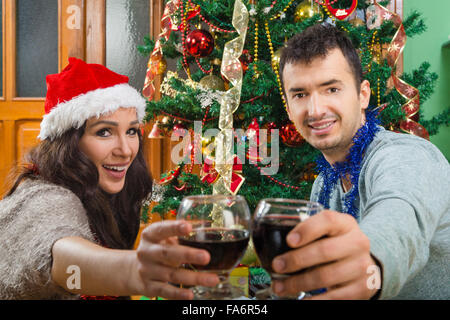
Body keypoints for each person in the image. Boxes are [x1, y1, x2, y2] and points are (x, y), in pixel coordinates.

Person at [0, 58, 219, 299]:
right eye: (104, 132)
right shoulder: (43, 197)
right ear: (68, 143)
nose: (125, 150)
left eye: (132, 131)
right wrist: (131, 270)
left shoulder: (104, 190)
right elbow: (62, 256)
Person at [273, 24, 450, 299]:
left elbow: (398, 220)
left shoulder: (408, 156)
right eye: (300, 94)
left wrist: (369, 263)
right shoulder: (323, 185)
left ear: (363, 94)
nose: (316, 110)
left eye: (331, 89)